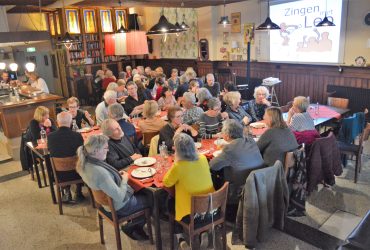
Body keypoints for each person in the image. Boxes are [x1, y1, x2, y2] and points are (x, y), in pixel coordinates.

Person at [76, 134, 151, 241]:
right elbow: (119, 197)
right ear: (96, 150)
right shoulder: (100, 172)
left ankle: (135, 223)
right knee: (151, 198)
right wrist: (124, 179)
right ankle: (133, 227)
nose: (107, 151)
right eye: (106, 148)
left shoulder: (84, 164)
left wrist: (115, 177)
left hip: (105, 203)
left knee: (142, 192)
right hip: (119, 207)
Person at [163, 133, 214, 248]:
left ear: (178, 151)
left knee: (170, 202)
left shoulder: (178, 166)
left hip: (192, 213)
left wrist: (176, 162)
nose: (172, 148)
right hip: (211, 207)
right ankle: (202, 232)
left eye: (174, 147)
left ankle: (180, 237)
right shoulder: (203, 158)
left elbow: (166, 182)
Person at [209, 119, 264, 204]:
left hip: (241, 189)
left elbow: (213, 166)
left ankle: (219, 205)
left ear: (227, 136)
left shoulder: (230, 149)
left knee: (214, 176)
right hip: (259, 182)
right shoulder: (250, 140)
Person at [47, 111, 84, 202]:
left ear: (57, 122)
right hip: (77, 173)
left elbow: (50, 151)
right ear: (71, 122)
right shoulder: (77, 136)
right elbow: (82, 153)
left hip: (60, 175)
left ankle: (67, 191)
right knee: (81, 160)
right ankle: (78, 191)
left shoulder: (51, 137)